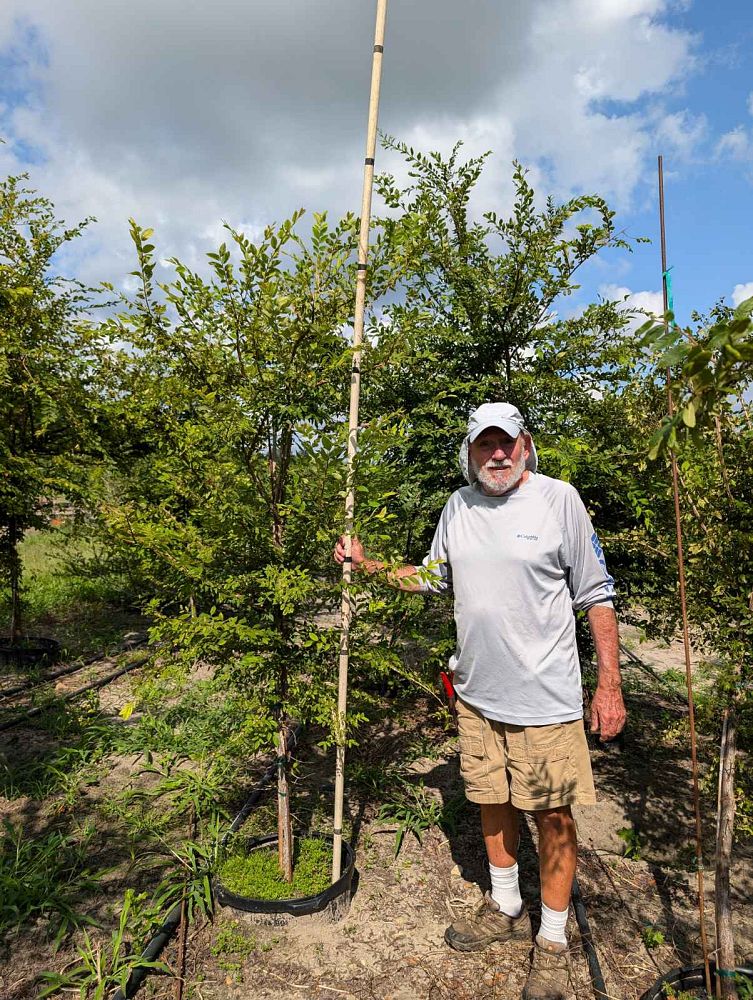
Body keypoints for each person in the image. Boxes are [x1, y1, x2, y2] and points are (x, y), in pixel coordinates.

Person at [334, 402, 625, 1000]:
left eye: (506, 443)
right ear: (468, 452)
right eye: (483, 444)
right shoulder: (457, 507)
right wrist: (368, 566)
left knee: (552, 817)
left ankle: (552, 943)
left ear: (525, 445)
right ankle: (506, 904)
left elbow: (596, 594)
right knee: (491, 800)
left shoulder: (557, 500)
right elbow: (433, 576)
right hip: (476, 694)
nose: (496, 454)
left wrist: (609, 683)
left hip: (544, 699)